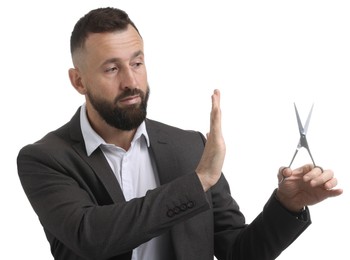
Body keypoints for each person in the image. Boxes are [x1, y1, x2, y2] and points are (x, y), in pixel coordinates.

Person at [17, 7, 343, 260]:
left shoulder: (189, 146)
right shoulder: (45, 158)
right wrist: (198, 181)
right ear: (78, 81)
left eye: (137, 62)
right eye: (112, 68)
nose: (131, 81)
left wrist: (286, 205)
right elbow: (91, 236)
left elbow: (238, 252)